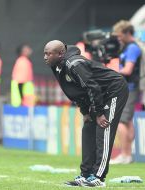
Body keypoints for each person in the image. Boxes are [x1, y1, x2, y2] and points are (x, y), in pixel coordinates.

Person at [44, 40, 128, 187]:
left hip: (113, 90)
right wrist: (85, 112)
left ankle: (98, 177)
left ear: (60, 54)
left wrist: (99, 113)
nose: (45, 57)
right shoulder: (56, 65)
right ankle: (85, 174)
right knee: (88, 129)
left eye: (48, 54)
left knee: (104, 128)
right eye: (44, 53)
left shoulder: (75, 64)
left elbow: (92, 87)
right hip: (97, 95)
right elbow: (75, 91)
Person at [110, 20, 141, 164]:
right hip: (128, 87)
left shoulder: (133, 48)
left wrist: (112, 74)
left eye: (120, 35)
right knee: (127, 122)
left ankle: (125, 154)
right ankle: (127, 155)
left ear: (128, 33)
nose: (118, 38)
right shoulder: (128, 47)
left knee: (120, 121)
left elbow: (128, 70)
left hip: (130, 88)